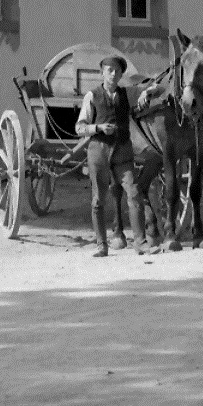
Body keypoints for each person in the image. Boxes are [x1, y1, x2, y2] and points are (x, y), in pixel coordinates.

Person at [74, 54, 142, 257]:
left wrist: (149, 95)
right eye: (109, 70)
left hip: (122, 151)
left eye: (117, 71)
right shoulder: (92, 96)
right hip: (99, 151)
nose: (113, 74)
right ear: (102, 73)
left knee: (134, 192)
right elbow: (79, 127)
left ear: (121, 75)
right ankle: (101, 244)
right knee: (98, 199)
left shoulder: (127, 95)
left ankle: (141, 242)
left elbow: (140, 106)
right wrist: (99, 127)